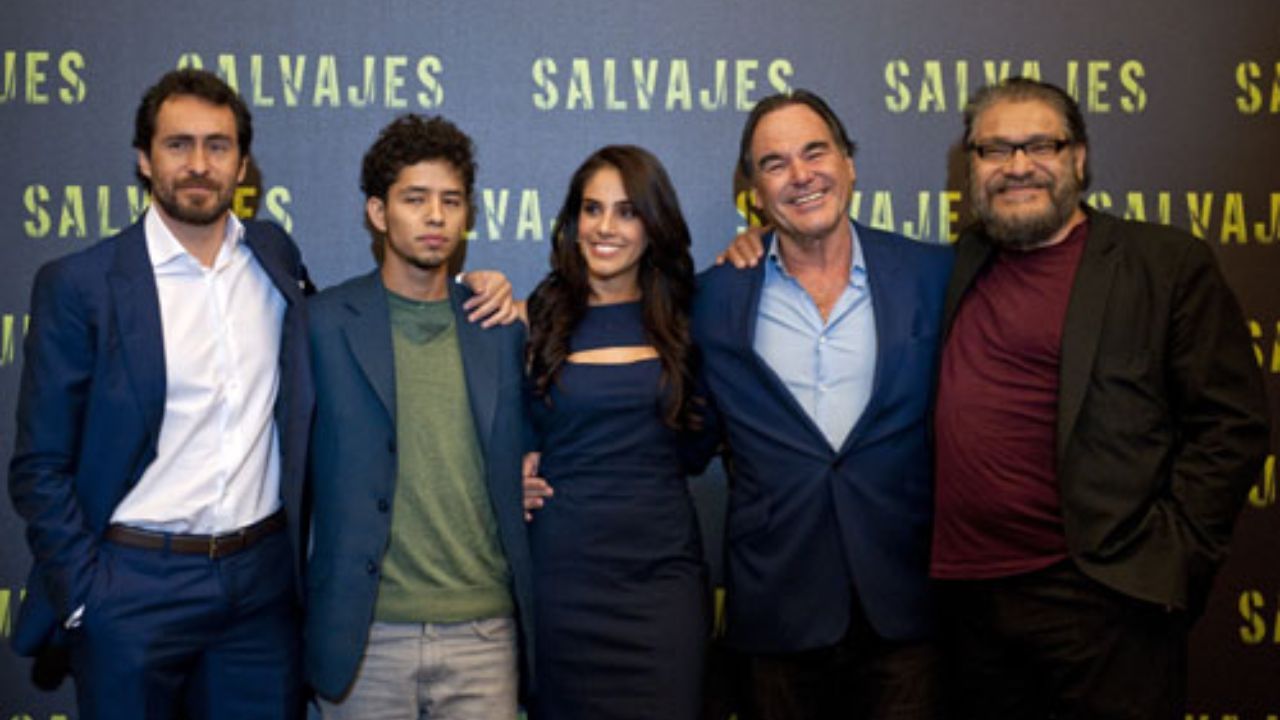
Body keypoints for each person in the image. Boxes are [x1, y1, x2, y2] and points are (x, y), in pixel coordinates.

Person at [930, 77, 1271, 719]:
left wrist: (1171, 558)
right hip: (967, 605)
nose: (1018, 166)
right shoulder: (950, 267)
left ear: (1080, 158)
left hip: (1104, 602)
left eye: (1041, 145)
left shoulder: (1164, 264)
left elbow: (1231, 425)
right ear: (971, 166)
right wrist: (757, 245)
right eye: (995, 149)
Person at [7, 68, 313, 718]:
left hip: (260, 591)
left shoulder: (273, 257)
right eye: (178, 145)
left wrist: (470, 292)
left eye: (218, 146)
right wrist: (89, 597)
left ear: (243, 165)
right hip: (133, 587)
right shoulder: (81, 284)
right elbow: (39, 466)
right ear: (145, 160)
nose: (199, 164)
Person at [696, 90, 952, 719]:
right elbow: (671, 425)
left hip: (906, 601)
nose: (801, 174)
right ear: (754, 193)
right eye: (775, 163)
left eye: (816, 152)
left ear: (849, 164)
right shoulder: (713, 297)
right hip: (778, 604)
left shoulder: (934, 273)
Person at [303, 114, 534, 718]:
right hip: (365, 639)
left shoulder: (499, 327)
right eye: (415, 199)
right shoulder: (322, 325)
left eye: (451, 201)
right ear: (378, 213)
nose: (435, 216)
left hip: (484, 635)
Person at [522, 145, 710, 719]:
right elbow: (500, 428)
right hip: (563, 584)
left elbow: (700, 447)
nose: (605, 227)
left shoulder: (692, 317)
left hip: (662, 585)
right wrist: (510, 474)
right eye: (592, 209)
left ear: (654, 226)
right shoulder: (534, 318)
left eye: (627, 212)